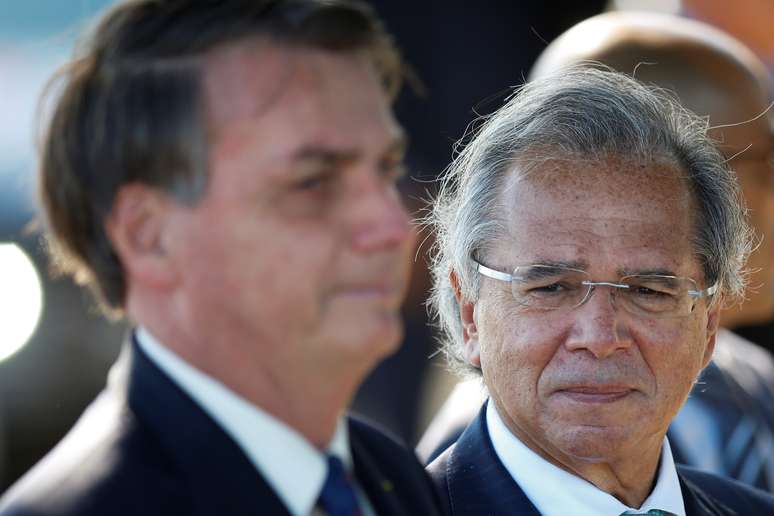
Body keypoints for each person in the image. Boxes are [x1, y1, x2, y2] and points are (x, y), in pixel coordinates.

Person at [0, 1, 446, 515]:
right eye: (313, 182)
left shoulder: (398, 480)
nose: (394, 227)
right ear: (149, 235)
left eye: (387, 170)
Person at [419, 11, 774, 492]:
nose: (600, 335)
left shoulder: (746, 389)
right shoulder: (445, 477)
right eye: (552, 288)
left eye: (648, 289)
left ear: (709, 319)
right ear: (469, 312)